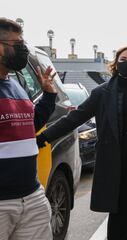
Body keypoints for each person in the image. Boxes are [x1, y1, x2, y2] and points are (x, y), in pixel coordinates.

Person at [37, 47, 127, 240]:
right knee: (118, 215)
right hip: (115, 160)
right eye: (123, 59)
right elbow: (75, 118)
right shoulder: (101, 92)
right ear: (115, 63)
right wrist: (44, 137)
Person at [0, 18, 57, 239]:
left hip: (31, 196)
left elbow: (29, 127)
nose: (23, 49)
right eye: (17, 44)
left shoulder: (14, 84)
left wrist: (49, 95)